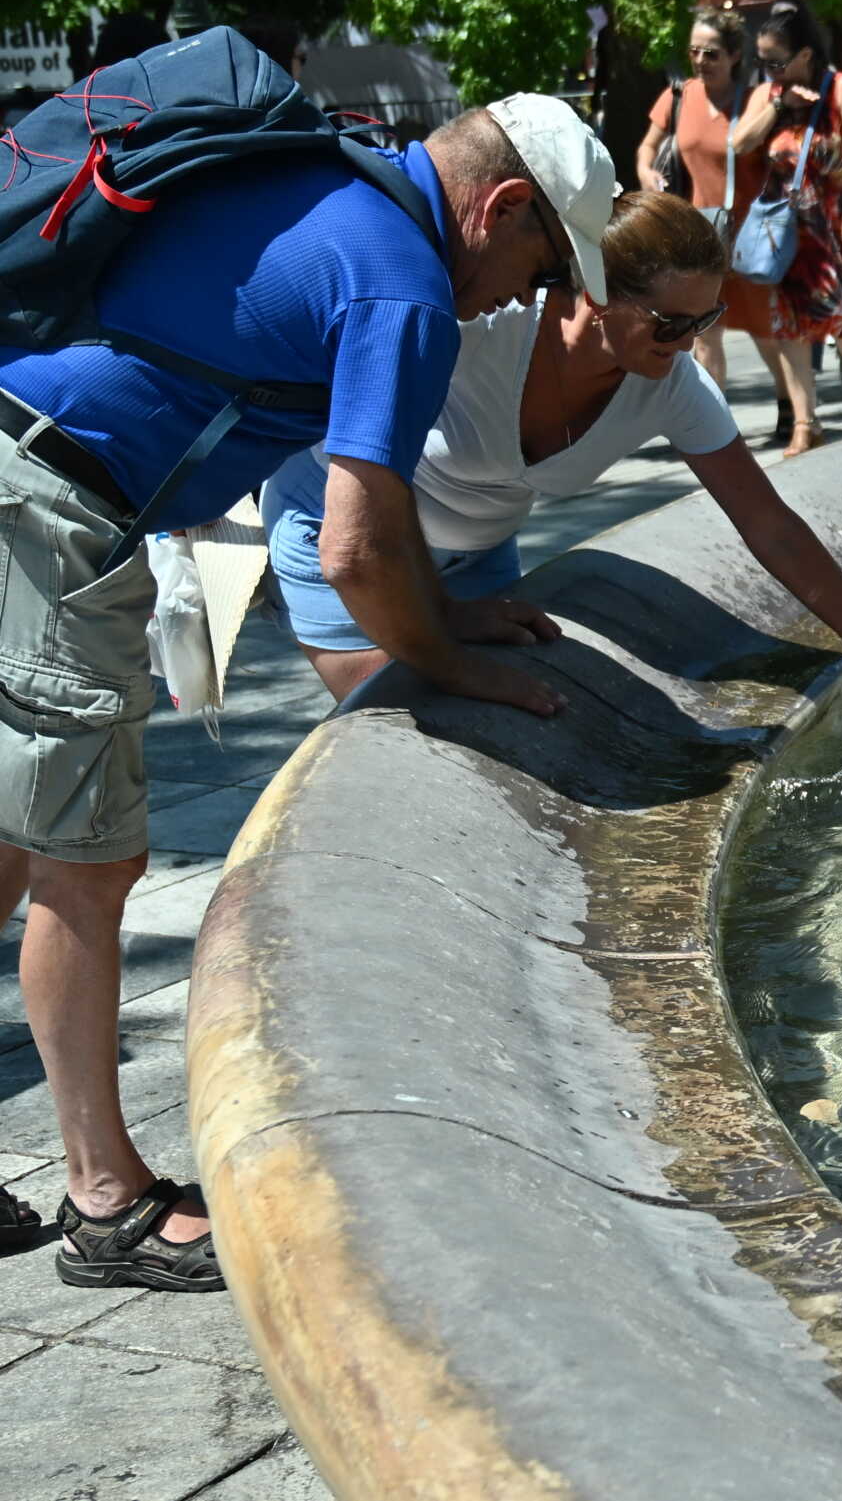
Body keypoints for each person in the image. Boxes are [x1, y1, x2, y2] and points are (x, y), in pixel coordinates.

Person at [0, 84, 609, 1291]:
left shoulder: (339, 181)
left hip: (17, 443)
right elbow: (353, 548)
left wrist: (450, 608)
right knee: (87, 858)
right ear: (499, 207)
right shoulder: (406, 285)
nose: (534, 299)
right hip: (53, 503)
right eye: (545, 260)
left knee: (16, 840)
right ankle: (105, 1201)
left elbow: (380, 531)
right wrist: (450, 661)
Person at [260, 192, 842, 716]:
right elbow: (369, 498)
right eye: (670, 323)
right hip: (349, 533)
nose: (687, 343)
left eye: (706, 321)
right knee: (399, 721)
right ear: (595, 293)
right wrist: (434, 615)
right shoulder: (480, 330)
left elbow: (770, 524)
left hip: (478, 549)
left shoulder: (671, 383)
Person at [749, 1, 842, 454]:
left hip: (835, 222)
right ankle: (806, 423)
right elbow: (739, 143)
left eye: (776, 60)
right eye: (762, 61)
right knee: (787, 327)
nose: (769, 69)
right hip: (788, 231)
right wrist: (776, 105)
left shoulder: (839, 87)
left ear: (805, 55)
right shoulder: (769, 94)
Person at [637, 9, 779, 408]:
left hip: (749, 233)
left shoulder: (754, 100)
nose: (701, 61)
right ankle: (715, 417)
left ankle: (790, 405)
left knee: (764, 328)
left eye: (712, 53)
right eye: (695, 52)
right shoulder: (679, 96)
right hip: (698, 231)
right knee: (704, 330)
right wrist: (646, 173)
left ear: (735, 56)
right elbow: (647, 146)